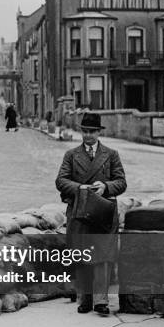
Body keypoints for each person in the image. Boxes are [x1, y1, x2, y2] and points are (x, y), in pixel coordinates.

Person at [55, 112, 127, 316]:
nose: (88, 136)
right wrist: (81, 188)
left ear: (98, 132)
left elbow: (121, 182)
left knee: (103, 257)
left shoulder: (111, 155)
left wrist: (105, 186)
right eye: (85, 131)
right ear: (81, 132)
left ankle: (101, 301)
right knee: (82, 255)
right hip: (79, 211)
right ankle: (84, 299)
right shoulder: (71, 155)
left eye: (92, 132)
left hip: (102, 213)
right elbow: (61, 180)